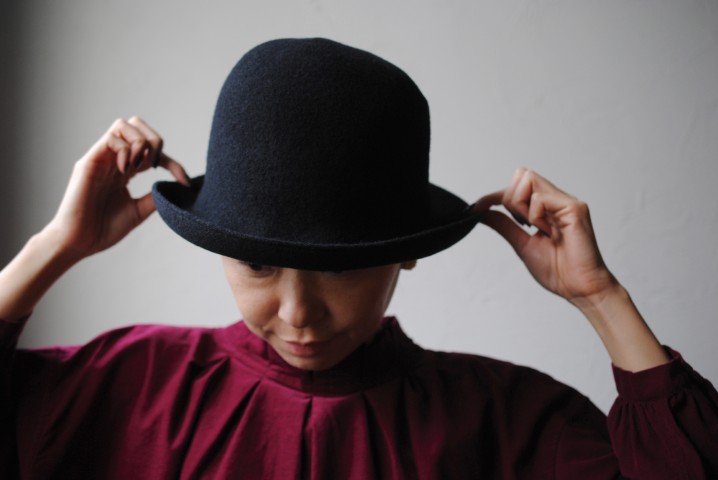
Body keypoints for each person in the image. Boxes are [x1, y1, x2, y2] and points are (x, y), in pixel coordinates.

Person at [1, 38, 716, 479]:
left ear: (405, 254)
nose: (297, 313)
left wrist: (600, 297)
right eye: (258, 266)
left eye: (339, 269)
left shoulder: (510, 422)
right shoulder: (131, 386)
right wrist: (54, 248)